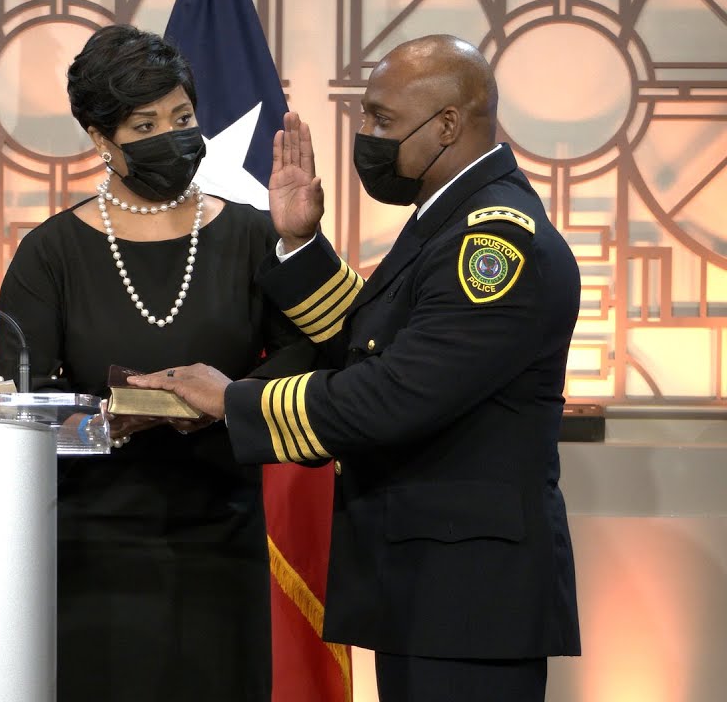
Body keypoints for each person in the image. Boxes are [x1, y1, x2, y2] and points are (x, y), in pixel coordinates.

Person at [130, 35, 582, 701]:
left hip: (468, 598)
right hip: (427, 585)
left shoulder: (494, 244)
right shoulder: (446, 220)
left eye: (382, 121)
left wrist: (236, 403)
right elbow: (379, 344)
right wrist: (301, 242)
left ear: (449, 124)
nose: (364, 136)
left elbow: (396, 395)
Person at [0, 25, 312, 701]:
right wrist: (102, 421)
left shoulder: (255, 233)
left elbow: (309, 355)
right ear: (102, 141)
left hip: (223, 536)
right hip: (93, 548)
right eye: (146, 123)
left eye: (183, 117)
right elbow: (22, 405)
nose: (173, 135)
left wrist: (233, 398)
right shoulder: (51, 255)